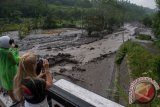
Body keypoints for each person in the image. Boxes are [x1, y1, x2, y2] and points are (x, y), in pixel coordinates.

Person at [0, 36, 20, 103]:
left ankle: (13, 100)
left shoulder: (1, 51)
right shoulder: (8, 53)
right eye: (10, 42)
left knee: (8, 87)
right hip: (10, 73)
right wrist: (16, 50)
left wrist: (11, 48)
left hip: (3, 71)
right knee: (13, 86)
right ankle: (15, 100)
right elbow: (15, 61)